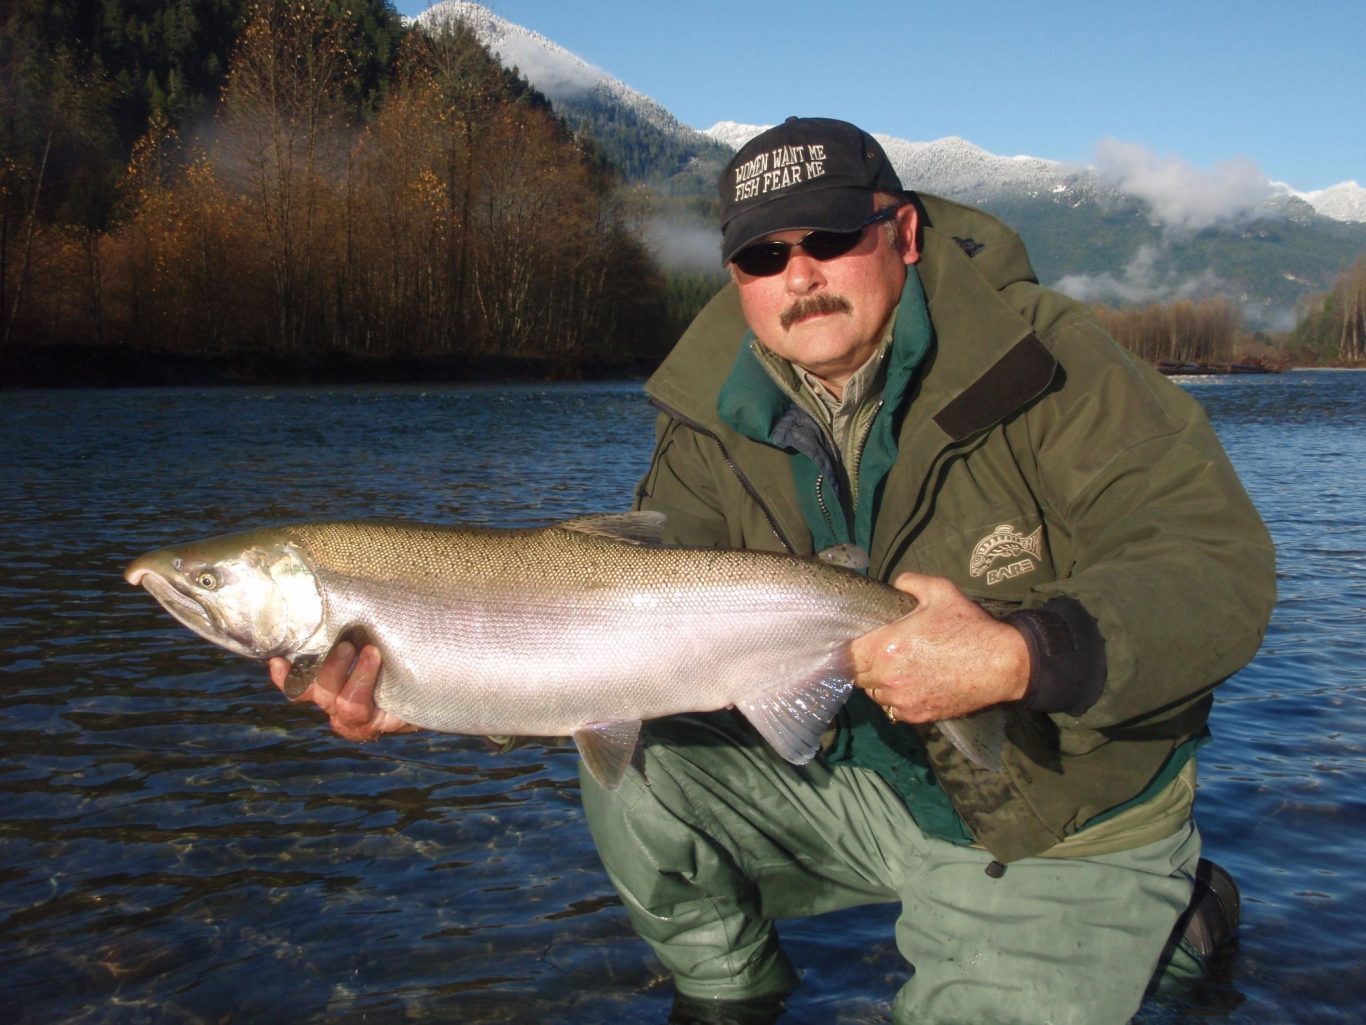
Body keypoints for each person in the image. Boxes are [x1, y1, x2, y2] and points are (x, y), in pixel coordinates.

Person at [272, 117, 1275, 1024]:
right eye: (762, 254)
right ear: (735, 276)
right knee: (638, 779)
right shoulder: (712, 417)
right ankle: (729, 999)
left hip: (1058, 808)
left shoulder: (1052, 365)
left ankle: (1165, 908)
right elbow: (603, 632)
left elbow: (1216, 567)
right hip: (861, 776)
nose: (798, 275)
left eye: (828, 239)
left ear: (904, 234)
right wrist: (431, 688)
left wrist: (1019, 653)